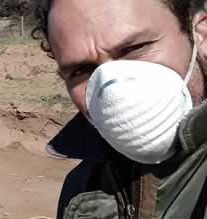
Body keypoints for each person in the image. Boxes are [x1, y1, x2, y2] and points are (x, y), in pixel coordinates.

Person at [33, 0, 207, 218]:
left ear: (201, 34)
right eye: (81, 70)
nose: (113, 92)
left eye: (134, 49)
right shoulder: (82, 189)